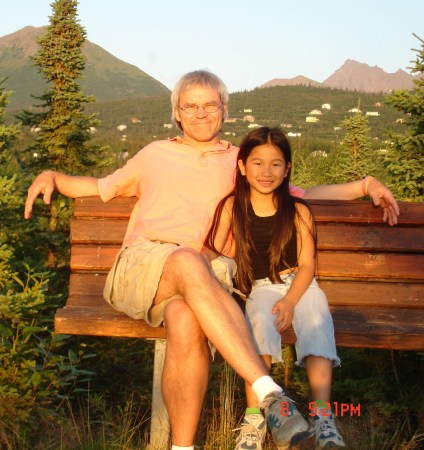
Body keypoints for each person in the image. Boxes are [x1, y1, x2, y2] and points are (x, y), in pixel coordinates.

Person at [25, 70, 399, 450]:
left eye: (210, 105)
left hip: (209, 277)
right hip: (144, 264)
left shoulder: (239, 162)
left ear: (224, 110)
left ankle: (181, 447)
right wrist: (54, 176)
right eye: (191, 106)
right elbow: (100, 187)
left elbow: (300, 194)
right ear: (177, 113)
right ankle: (269, 392)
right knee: (188, 259)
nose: (201, 113)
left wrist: (366, 185)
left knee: (185, 319)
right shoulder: (154, 154)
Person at [205, 126, 347, 449]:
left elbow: (308, 265)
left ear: (287, 170)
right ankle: (256, 417)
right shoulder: (232, 206)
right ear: (242, 166)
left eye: (275, 164)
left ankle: (323, 416)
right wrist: (195, 262)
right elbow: (211, 248)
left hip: (299, 284)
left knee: (317, 316)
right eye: (257, 162)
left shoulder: (298, 211)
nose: (266, 172)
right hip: (261, 286)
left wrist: (292, 301)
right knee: (259, 319)